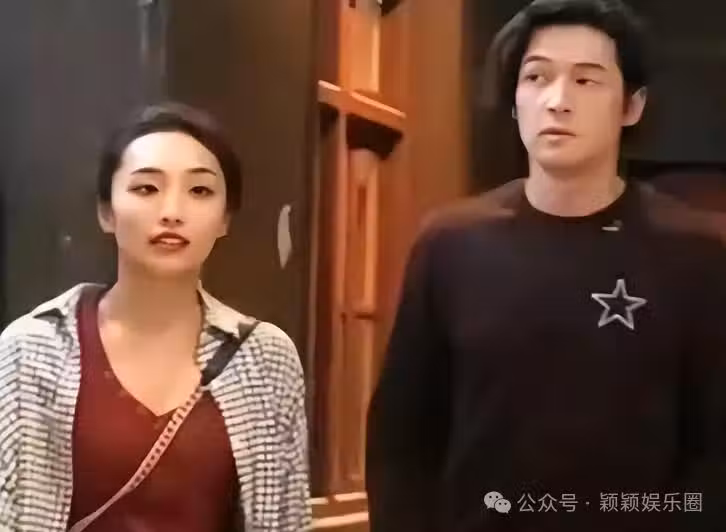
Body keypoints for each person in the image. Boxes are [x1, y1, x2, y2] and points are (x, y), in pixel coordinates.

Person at [365, 1, 726, 531]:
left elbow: (714, 452)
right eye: (536, 78)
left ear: (632, 105)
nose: (558, 101)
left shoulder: (695, 251)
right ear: (514, 102)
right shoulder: (451, 244)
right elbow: (401, 440)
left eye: (586, 80)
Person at [0, 103, 311, 531]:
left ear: (225, 218)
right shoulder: (31, 350)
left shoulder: (266, 359)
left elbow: (286, 520)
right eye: (146, 188)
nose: (172, 211)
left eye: (199, 191)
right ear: (106, 212)